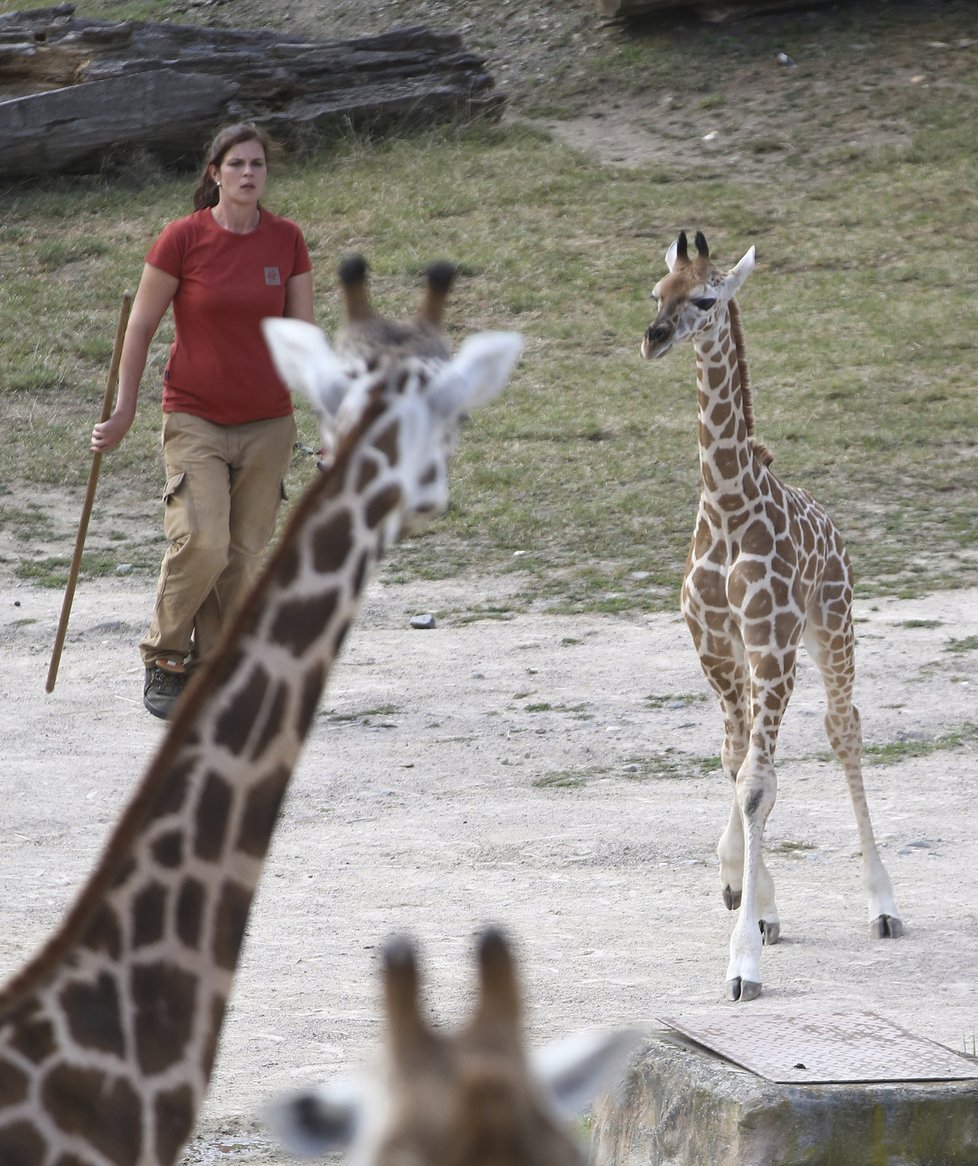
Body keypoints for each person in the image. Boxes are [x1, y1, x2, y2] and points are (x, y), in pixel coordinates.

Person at [92, 122, 314, 720]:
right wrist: (123, 409)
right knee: (203, 540)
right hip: (195, 416)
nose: (248, 173)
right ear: (214, 171)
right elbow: (139, 326)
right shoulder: (182, 239)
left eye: (257, 165)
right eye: (236, 163)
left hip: (269, 422)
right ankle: (165, 656)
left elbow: (304, 337)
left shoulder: (287, 240)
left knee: (242, 552)